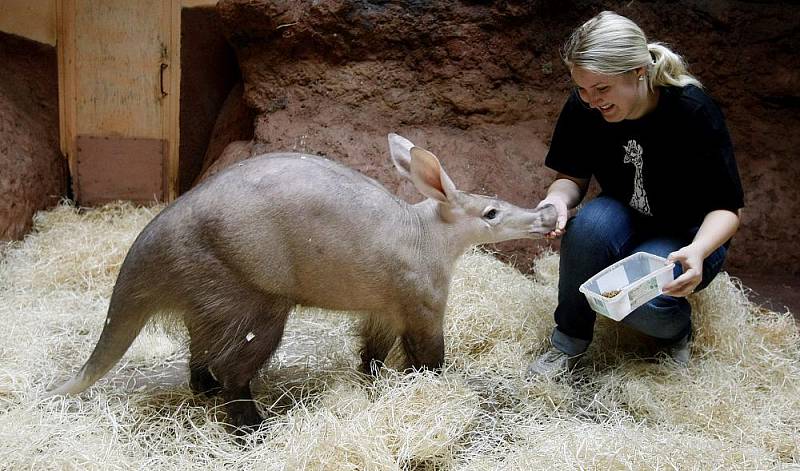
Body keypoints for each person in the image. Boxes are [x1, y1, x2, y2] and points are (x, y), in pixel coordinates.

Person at [527, 11, 744, 377]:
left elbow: (726, 208)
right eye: (582, 88)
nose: (591, 100)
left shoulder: (691, 110)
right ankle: (569, 339)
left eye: (601, 89)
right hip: (627, 214)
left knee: (645, 305)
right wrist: (556, 201)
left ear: (638, 72)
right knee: (587, 228)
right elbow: (572, 177)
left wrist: (698, 251)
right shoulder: (585, 106)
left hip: (687, 235)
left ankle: (677, 333)